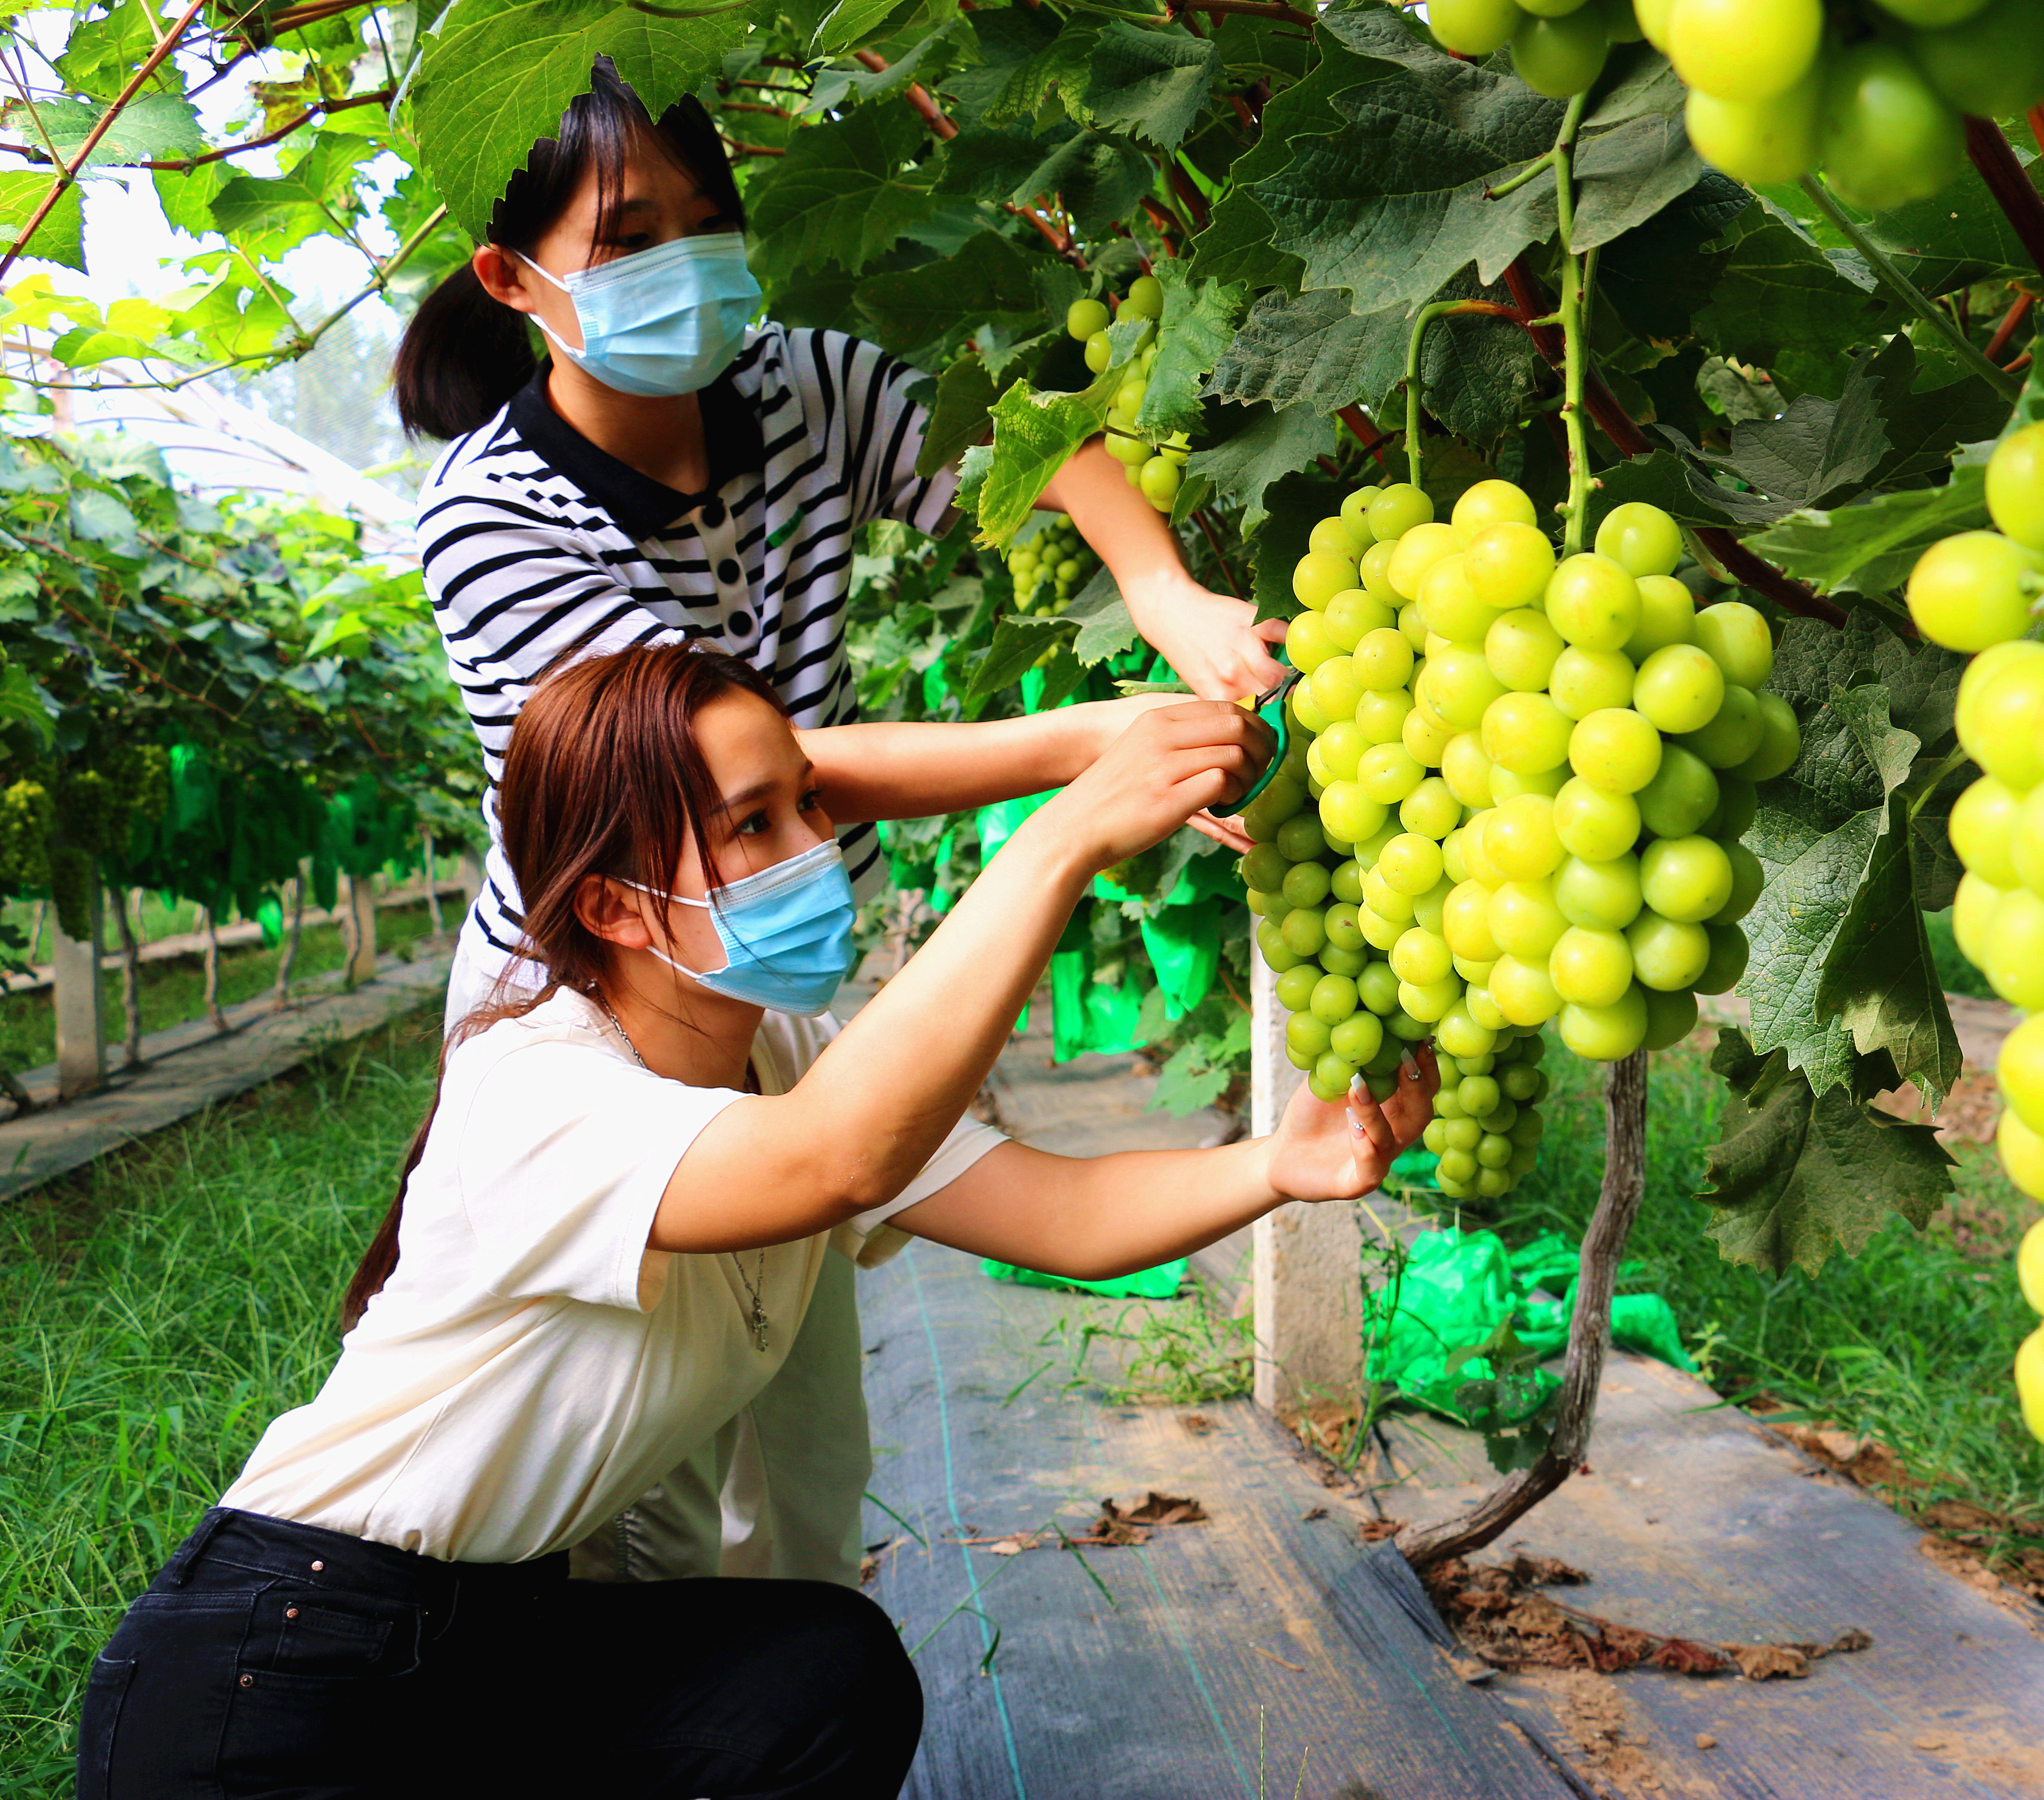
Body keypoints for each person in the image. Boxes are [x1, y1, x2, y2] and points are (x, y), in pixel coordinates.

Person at [76, 642, 1433, 1799]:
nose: (816, 849)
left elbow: (1062, 1211)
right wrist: (1068, 826)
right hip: (282, 1665)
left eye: (810, 807)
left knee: (818, 1674)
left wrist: (1282, 1161)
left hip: (498, 1639)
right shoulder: (537, 1084)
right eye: (756, 824)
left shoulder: (782, 1049)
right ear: (612, 903)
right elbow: (833, 1161)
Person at [393, 60, 1286, 1585]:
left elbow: (1036, 458)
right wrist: (1085, 756)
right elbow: (728, 779)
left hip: (784, 970)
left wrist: (1159, 586)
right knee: (613, 1441)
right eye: (629, 236)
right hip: (606, 988)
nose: (690, 255)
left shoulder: (798, 387)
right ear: (511, 279)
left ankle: (772, 1680)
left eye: (709, 214)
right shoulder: (487, 520)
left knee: (801, 1447)